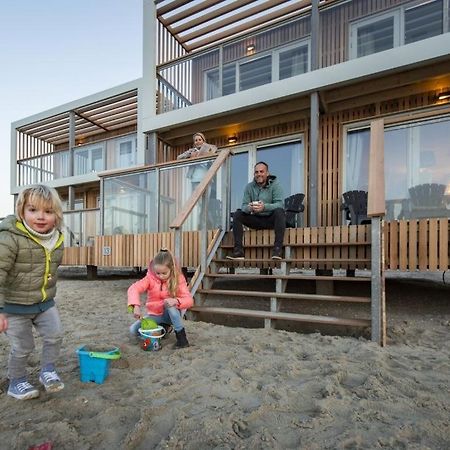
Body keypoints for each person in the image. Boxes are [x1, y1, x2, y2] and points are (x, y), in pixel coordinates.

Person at [0, 184, 65, 400]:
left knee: (54, 335)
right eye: (33, 210)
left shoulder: (57, 239)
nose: (40, 217)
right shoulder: (10, 237)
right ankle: (16, 381)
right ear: (21, 211)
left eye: (48, 211)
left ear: (56, 215)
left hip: (44, 303)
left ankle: (48, 370)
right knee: (23, 346)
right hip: (14, 306)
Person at [127, 248, 193, 348]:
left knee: (169, 304)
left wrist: (176, 300)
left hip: (171, 315)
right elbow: (133, 288)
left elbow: (189, 300)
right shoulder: (150, 279)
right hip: (155, 315)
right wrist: (135, 305)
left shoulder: (178, 279)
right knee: (133, 330)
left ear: (171, 269)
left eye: (164, 273)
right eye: (158, 273)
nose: (161, 276)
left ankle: (182, 339)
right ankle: (164, 329)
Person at [227, 161, 286, 260]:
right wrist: (249, 208)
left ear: (267, 173)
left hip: (271, 220)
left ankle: (277, 250)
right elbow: (244, 206)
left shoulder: (276, 185)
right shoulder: (249, 187)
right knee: (238, 214)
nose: (259, 174)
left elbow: (279, 204)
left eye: (261, 172)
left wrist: (264, 207)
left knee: (280, 211)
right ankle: (238, 252)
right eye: (256, 172)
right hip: (255, 219)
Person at [177, 132, 218, 229]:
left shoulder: (209, 149)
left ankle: (205, 225)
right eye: (196, 140)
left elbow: (214, 162)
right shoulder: (192, 151)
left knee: (205, 205)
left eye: (200, 139)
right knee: (200, 205)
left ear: (203, 141)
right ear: (194, 142)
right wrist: (190, 156)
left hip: (207, 179)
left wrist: (208, 156)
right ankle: (207, 225)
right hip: (195, 180)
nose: (198, 142)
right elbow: (179, 158)